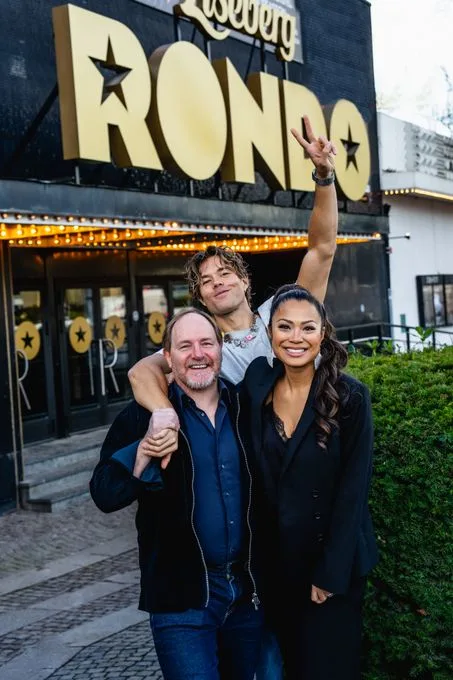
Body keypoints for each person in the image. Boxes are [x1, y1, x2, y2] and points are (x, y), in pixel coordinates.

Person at [127, 117, 338, 679]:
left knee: (307, 632)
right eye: (205, 280)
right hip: (252, 498)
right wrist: (163, 411)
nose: (217, 282)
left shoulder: (283, 315)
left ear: (244, 279)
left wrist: (323, 174)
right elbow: (143, 370)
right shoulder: (202, 349)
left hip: (304, 480)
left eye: (225, 273)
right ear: (197, 296)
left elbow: (321, 248)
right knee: (258, 645)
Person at [90, 308, 263, 680]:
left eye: (206, 343)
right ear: (168, 357)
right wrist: (142, 453)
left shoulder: (247, 408)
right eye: (184, 346)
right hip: (180, 598)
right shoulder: (143, 415)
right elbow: (104, 493)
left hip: (247, 594)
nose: (197, 354)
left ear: (220, 349)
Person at [240, 283, 379, 679]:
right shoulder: (257, 385)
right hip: (279, 567)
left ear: (323, 333)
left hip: (331, 568)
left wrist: (329, 574)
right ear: (270, 334)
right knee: (295, 667)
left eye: (307, 327)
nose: (295, 338)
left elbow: (354, 492)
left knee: (330, 668)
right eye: (285, 327)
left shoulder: (350, 396)